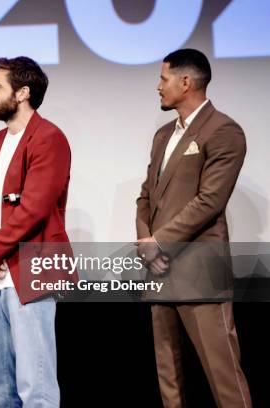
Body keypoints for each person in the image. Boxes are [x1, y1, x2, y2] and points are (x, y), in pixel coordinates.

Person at [136, 48, 251, 407]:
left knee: (223, 375)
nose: (158, 86)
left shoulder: (224, 131)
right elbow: (145, 197)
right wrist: (145, 241)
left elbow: (209, 201)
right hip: (159, 270)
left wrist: (159, 242)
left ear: (186, 82)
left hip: (200, 269)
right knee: (168, 376)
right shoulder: (163, 135)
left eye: (163, 78)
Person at [0, 56, 72, 407]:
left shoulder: (49, 138)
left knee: (36, 388)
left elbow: (34, 210)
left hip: (31, 271)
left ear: (22, 92)